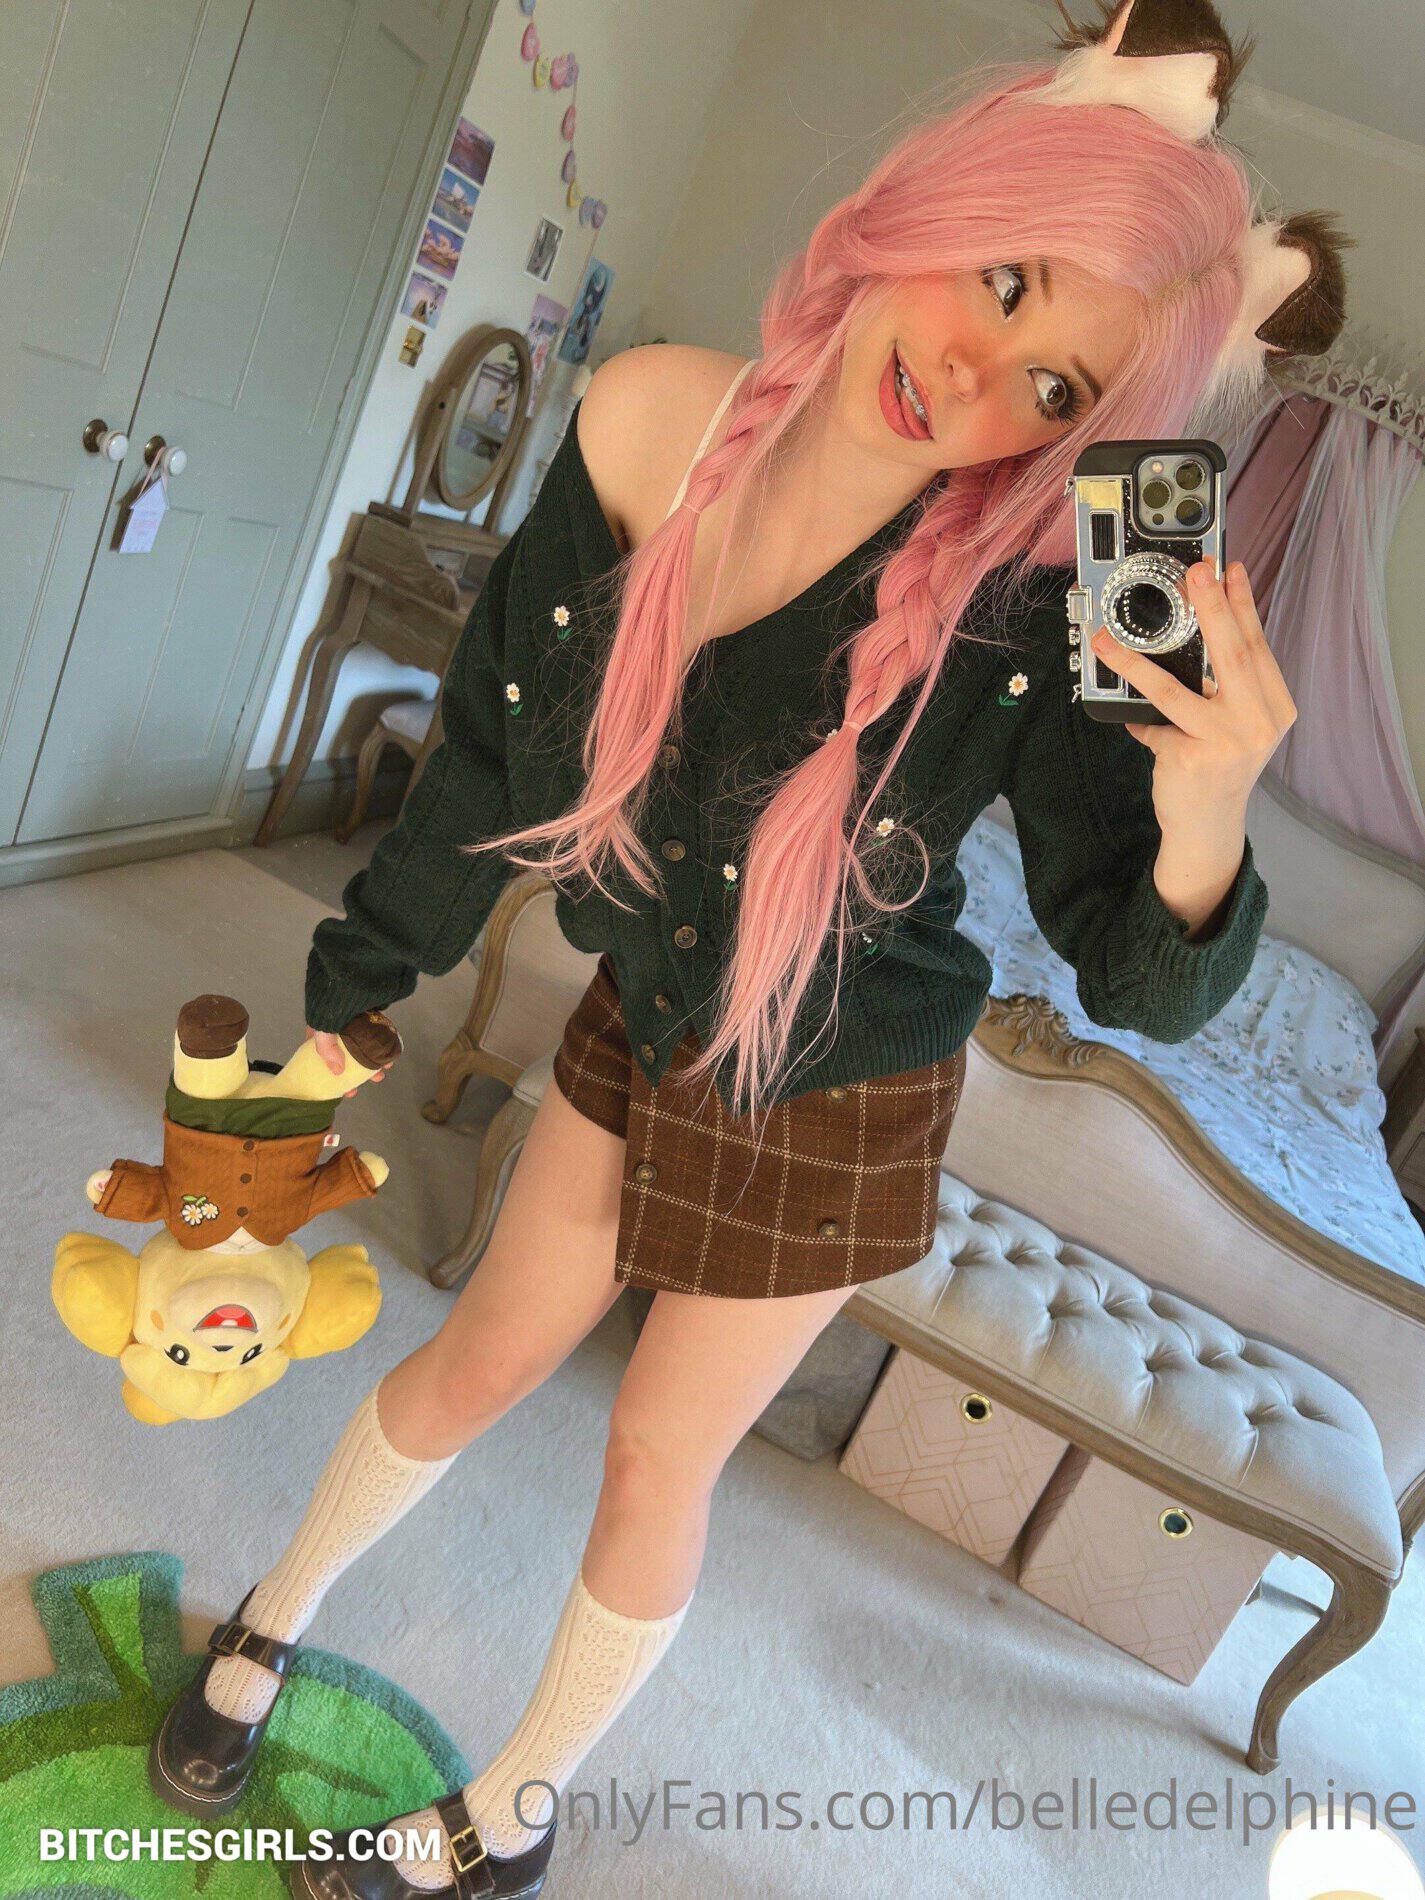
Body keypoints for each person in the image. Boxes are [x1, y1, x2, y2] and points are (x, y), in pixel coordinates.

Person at [148, 2, 1349, 1893]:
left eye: (1057, 383)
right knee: (477, 1359)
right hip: (649, 1008)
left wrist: (1206, 818)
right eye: (1001, 278)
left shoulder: (1095, 565)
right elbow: (485, 753)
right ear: (929, 206)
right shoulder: (646, 416)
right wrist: (343, 1006)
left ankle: (507, 1823)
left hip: (842, 1083)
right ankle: (271, 1616)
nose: (976, 374)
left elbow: (1137, 978)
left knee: (654, 1457)